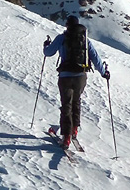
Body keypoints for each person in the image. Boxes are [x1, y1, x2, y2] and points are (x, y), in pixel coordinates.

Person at [42, 15, 110, 148]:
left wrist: (46, 46)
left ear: (67, 25)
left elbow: (49, 53)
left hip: (65, 76)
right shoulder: (85, 40)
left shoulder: (62, 38)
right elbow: (95, 58)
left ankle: (66, 137)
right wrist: (104, 73)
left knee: (66, 104)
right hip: (80, 76)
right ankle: (74, 130)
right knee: (76, 101)